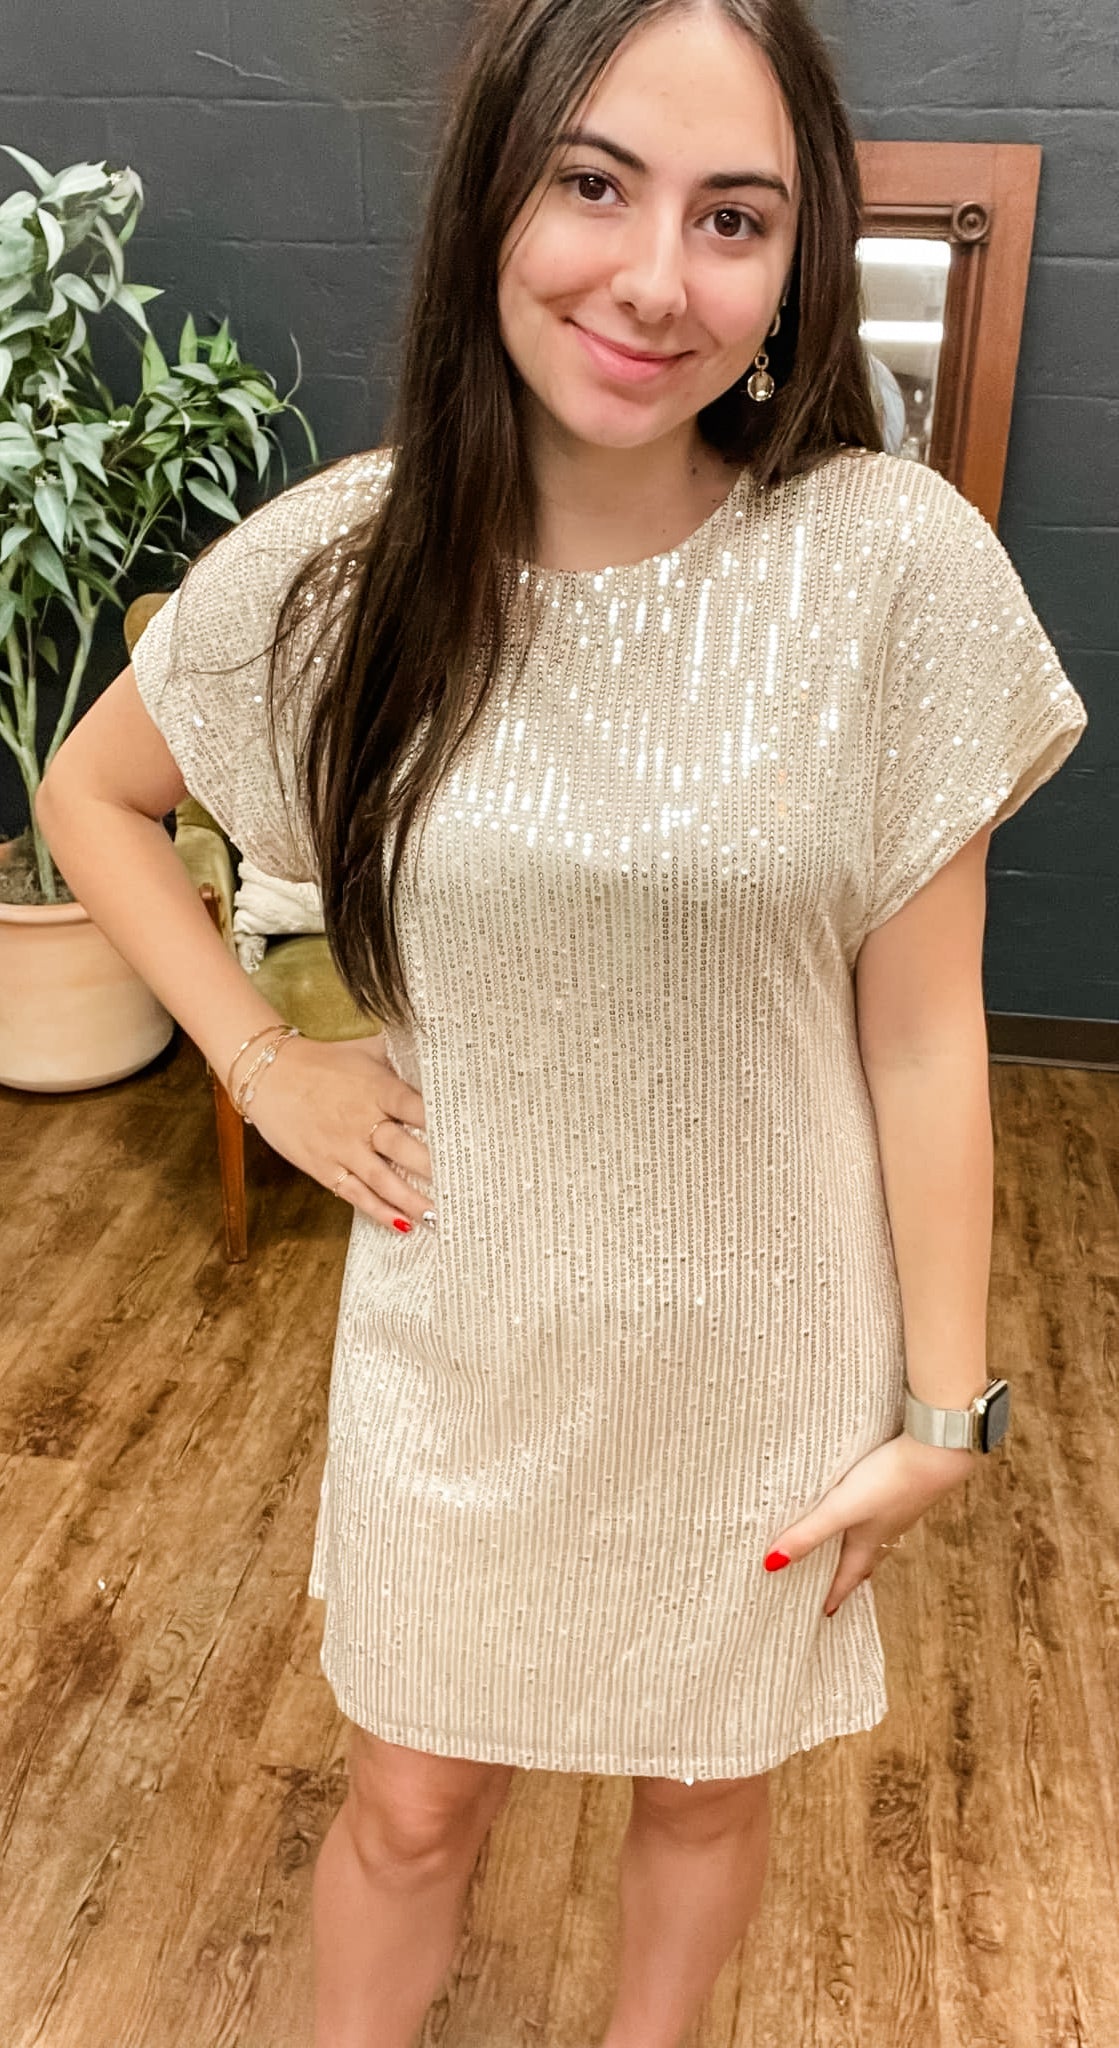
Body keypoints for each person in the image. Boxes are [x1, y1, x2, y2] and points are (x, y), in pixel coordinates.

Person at [37, 2, 1089, 2044]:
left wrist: (946, 1412)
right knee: (412, 1802)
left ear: (794, 261)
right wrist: (261, 1059)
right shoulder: (347, 563)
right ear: (490, 198)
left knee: (703, 1787)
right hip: (466, 1351)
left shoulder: (889, 569)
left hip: (762, 1344)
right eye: (595, 184)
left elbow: (919, 1035)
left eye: (733, 217)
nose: (654, 278)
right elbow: (93, 794)